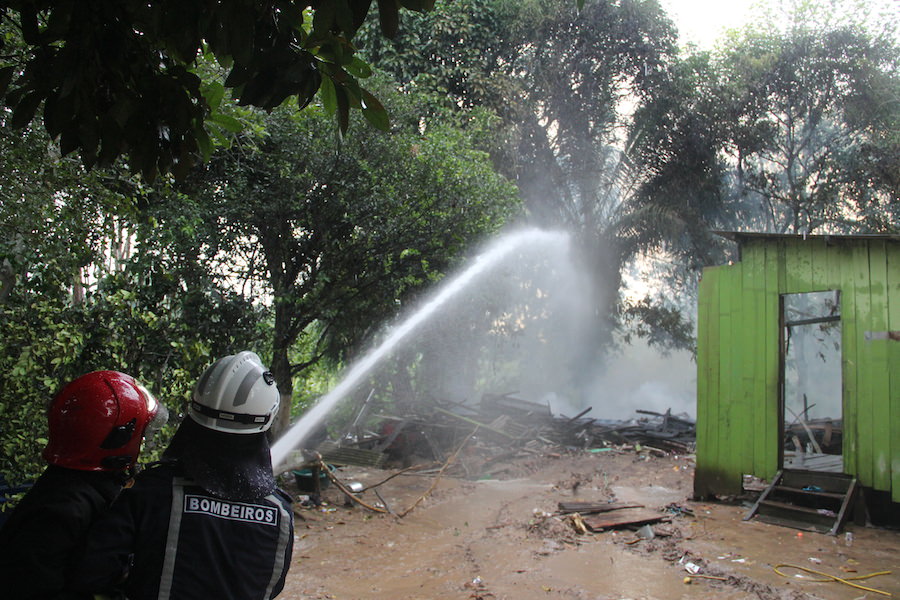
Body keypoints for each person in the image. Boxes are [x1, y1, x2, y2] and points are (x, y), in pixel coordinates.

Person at [74, 351, 294, 600]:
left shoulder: (150, 492)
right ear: (267, 421)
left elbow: (94, 572)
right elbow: (271, 586)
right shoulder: (281, 512)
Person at [0, 370, 166, 599]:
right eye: (141, 434)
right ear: (117, 439)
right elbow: (33, 588)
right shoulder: (64, 510)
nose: (143, 441)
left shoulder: (80, 485)